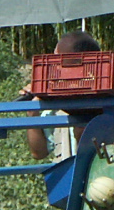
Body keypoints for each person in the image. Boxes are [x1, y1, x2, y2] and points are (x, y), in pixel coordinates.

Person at [25, 29, 101, 161]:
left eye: (58, 58)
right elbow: (39, 153)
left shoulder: (106, 94)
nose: (54, 64)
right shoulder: (52, 103)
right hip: (66, 176)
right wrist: (32, 114)